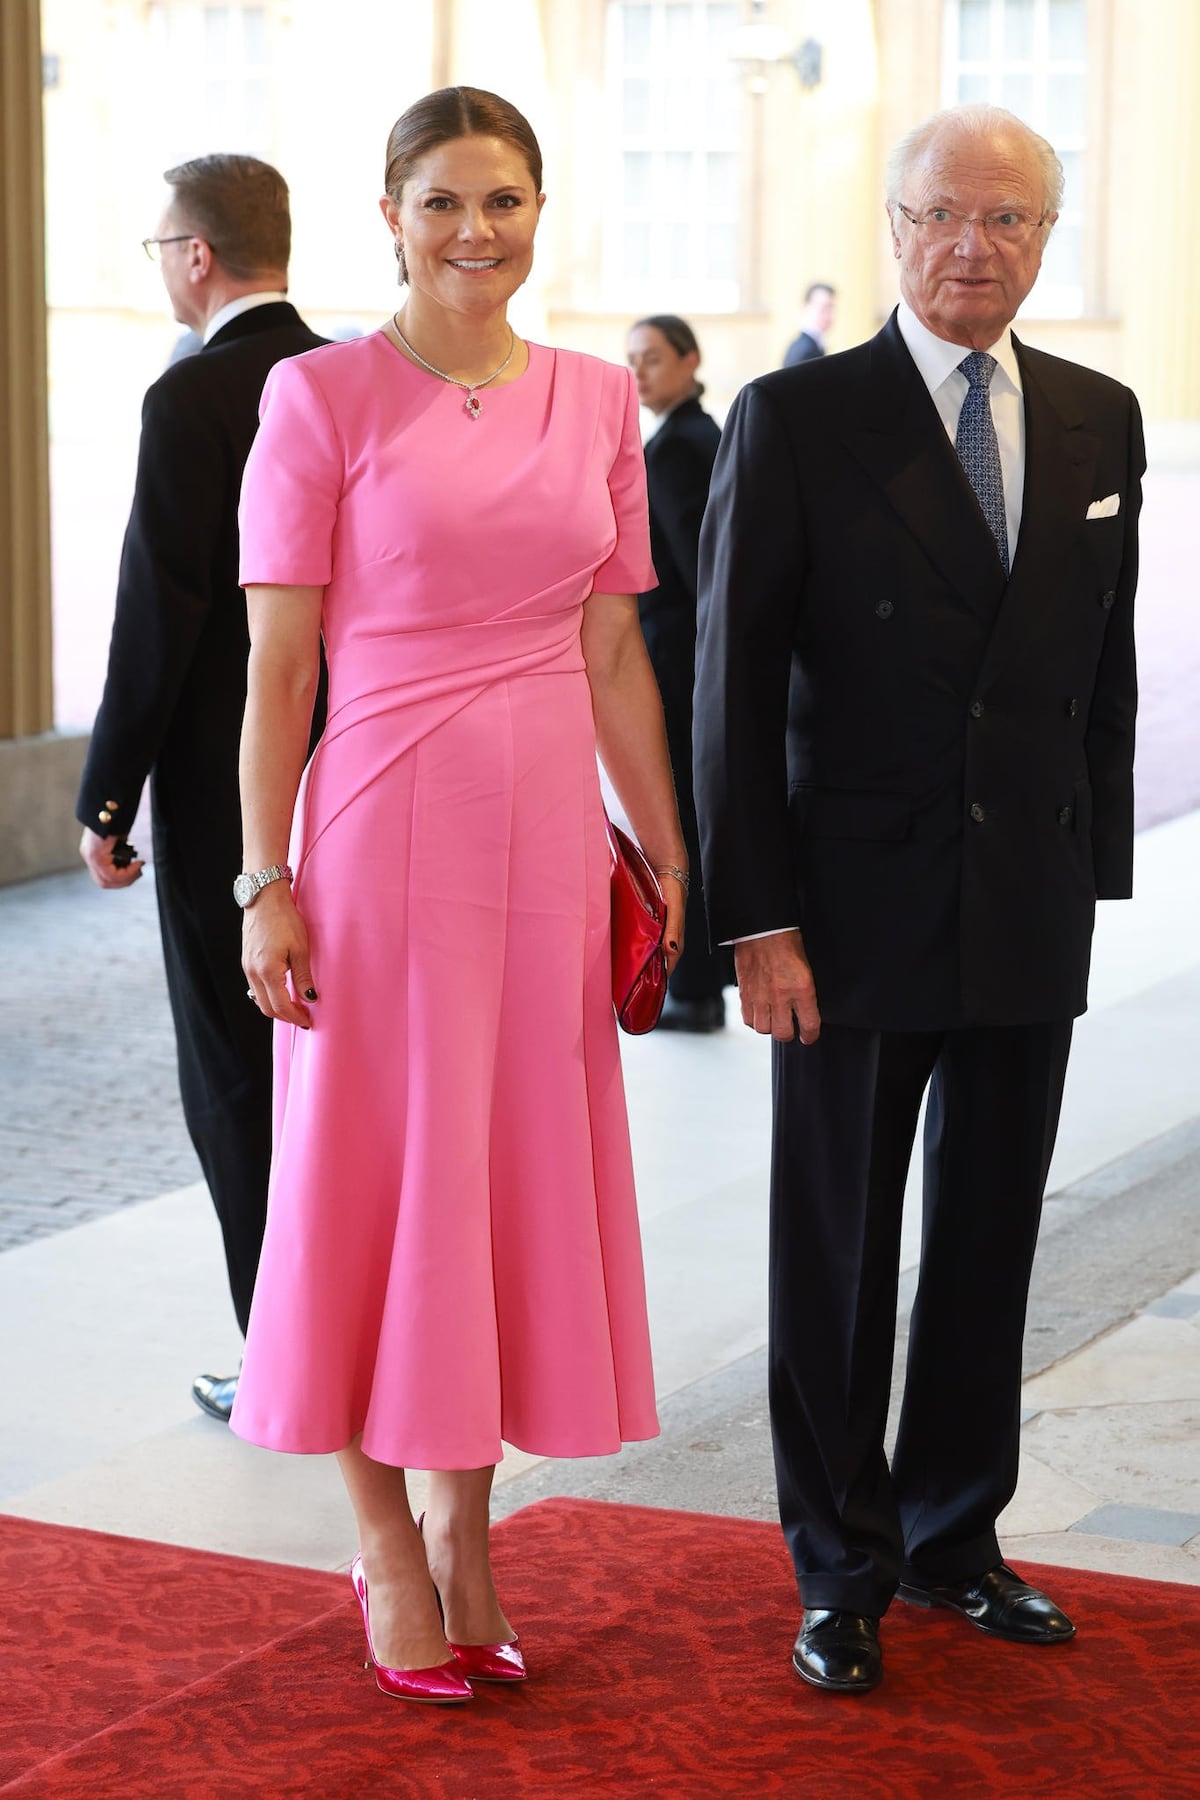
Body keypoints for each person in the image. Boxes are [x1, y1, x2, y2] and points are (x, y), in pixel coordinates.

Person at [230, 86, 686, 1704]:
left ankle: (470, 1536)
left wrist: (667, 840)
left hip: (542, 856)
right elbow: (280, 670)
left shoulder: (591, 399)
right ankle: (379, 1536)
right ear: (390, 216)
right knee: (372, 1188)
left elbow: (614, 646)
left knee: (494, 1193)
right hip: (374, 842)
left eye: (501, 200)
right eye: (442, 203)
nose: (474, 231)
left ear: (539, 211)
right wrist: (263, 880)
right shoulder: (317, 398)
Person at [695, 104, 1142, 1694]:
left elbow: (1104, 672)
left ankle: (958, 1536)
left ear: (1044, 239)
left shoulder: (1099, 419)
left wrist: (1094, 875)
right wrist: (755, 919)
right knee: (836, 1249)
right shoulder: (798, 417)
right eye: (944, 214)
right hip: (847, 911)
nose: (975, 246)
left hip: (1024, 899)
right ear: (893, 227)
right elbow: (731, 687)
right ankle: (841, 1566)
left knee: (990, 1240)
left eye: (1010, 220)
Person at [76, 155, 326, 1422]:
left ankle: (280, 1357)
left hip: (224, 793)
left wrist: (107, 797)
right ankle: (356, 1337)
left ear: (195, 256)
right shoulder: (347, 377)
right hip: (349, 772)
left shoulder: (192, 398)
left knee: (234, 1073)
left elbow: (156, 618)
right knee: (336, 1072)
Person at [627, 314, 733, 1031]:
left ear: (690, 359)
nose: (638, 372)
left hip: (675, 662)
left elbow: (698, 573)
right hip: (689, 659)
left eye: (653, 359)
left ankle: (692, 988)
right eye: (631, 360)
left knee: (678, 823)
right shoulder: (695, 434)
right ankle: (697, 985)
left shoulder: (676, 449)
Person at [782, 282, 835, 367]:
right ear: (805, 307)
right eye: (824, 307)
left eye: (831, 308)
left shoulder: (813, 345)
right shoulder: (804, 349)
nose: (831, 315)